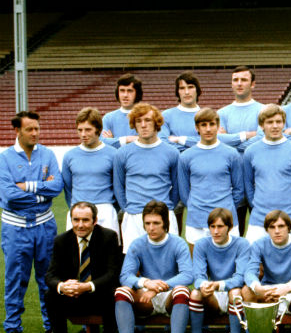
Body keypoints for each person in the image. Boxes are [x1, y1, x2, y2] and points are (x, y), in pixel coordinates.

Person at [112, 200, 193, 333]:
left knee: (182, 290)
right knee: (122, 291)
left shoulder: (178, 243)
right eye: (147, 223)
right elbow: (125, 275)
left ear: (165, 224)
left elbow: (187, 275)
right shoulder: (137, 244)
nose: (151, 228)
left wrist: (158, 287)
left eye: (156, 223)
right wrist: (146, 283)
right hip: (145, 298)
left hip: (170, 296)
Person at [44, 202, 120, 333]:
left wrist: (87, 286)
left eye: (85, 220)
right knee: (51, 295)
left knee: (114, 293)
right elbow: (50, 275)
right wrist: (63, 286)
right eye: (76, 220)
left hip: (98, 293)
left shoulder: (109, 237)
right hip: (72, 295)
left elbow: (113, 273)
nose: (80, 225)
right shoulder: (61, 241)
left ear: (95, 220)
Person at [112, 103, 179, 252]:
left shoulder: (172, 153)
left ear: (157, 123)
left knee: (166, 262)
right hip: (134, 216)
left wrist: (167, 208)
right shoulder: (122, 154)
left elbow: (177, 187)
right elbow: (118, 186)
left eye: (148, 120)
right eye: (138, 121)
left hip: (164, 215)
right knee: (134, 264)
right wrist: (128, 208)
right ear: (134, 125)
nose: (143, 125)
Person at [190, 208, 251, 333]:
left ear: (229, 227)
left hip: (232, 291)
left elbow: (240, 277)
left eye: (220, 226)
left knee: (236, 292)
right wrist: (204, 285)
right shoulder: (201, 244)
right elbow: (197, 276)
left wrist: (218, 285)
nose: (215, 231)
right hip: (213, 294)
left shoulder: (242, 244)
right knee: (196, 293)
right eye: (212, 227)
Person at [177, 108, 245, 244]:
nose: (208, 129)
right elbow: (184, 192)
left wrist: (226, 206)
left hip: (226, 218)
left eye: (212, 124)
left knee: (229, 263)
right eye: (203, 125)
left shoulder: (231, 154)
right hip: (197, 219)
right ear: (197, 128)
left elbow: (239, 189)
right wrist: (194, 206)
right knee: (197, 263)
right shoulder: (186, 156)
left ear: (218, 126)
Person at [241, 104, 291, 241]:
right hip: (259, 219)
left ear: (283, 123)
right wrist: (256, 205)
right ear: (261, 125)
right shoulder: (251, 151)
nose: (275, 126)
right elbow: (248, 184)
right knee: (254, 260)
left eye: (278, 122)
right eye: (270, 122)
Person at [61, 107, 120, 237]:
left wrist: (110, 208)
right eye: (80, 130)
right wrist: (76, 207)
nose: (83, 134)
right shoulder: (69, 156)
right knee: (77, 256)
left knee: (107, 256)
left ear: (98, 130)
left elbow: (118, 187)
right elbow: (68, 187)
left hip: (105, 212)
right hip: (78, 212)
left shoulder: (113, 154)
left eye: (88, 130)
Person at [217, 65, 263, 152]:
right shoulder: (221, 113)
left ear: (252, 84)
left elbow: (261, 139)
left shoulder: (263, 110)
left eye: (244, 80)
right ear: (231, 84)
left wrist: (231, 142)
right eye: (235, 80)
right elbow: (219, 140)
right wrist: (248, 135)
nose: (239, 83)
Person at [161, 72, 203, 152]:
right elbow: (163, 144)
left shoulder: (207, 116)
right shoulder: (166, 116)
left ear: (197, 90)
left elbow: (210, 142)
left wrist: (179, 140)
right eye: (182, 88)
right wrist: (195, 143)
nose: (187, 92)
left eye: (190, 87)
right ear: (178, 92)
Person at [101, 73, 142, 147]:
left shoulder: (146, 116)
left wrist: (114, 141)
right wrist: (128, 139)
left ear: (137, 93)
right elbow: (102, 143)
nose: (125, 95)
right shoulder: (108, 118)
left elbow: (149, 141)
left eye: (130, 91)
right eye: (122, 91)